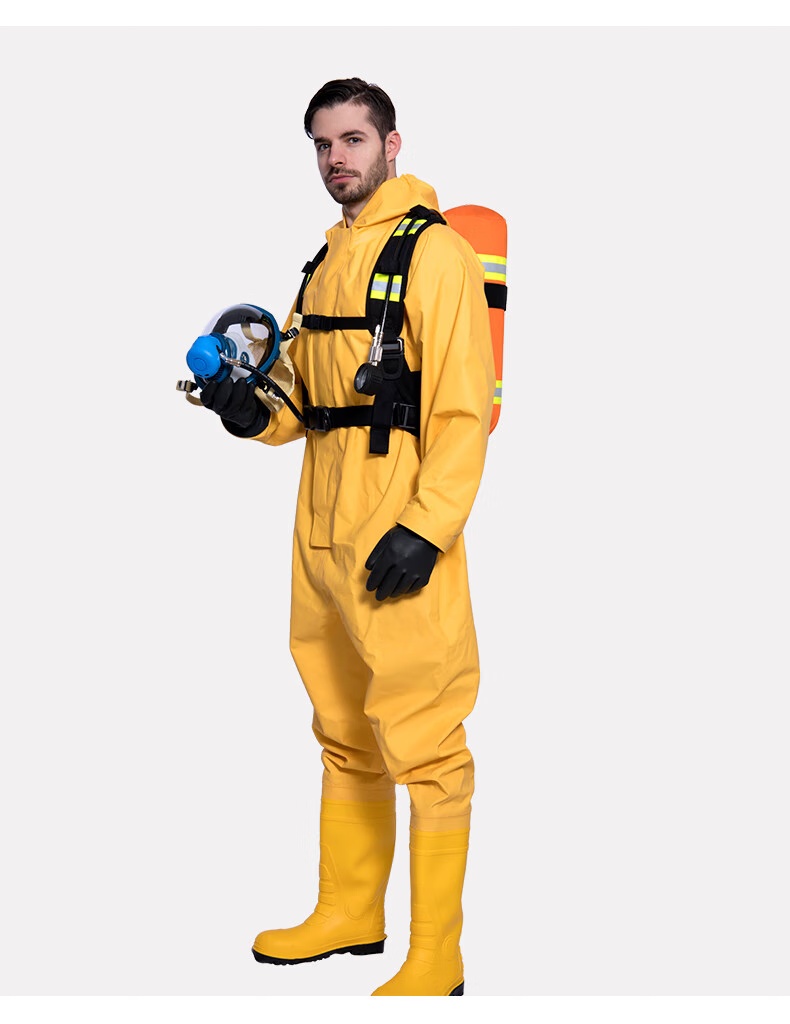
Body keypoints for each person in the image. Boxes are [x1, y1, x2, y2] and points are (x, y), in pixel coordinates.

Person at [199, 77, 495, 997]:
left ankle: (437, 953)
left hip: (396, 527)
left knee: (425, 740)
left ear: (392, 144)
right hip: (318, 530)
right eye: (323, 145)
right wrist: (251, 412)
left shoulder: (436, 254)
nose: (337, 159)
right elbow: (307, 401)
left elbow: (461, 410)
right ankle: (350, 911)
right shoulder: (324, 262)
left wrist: (426, 529)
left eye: (353, 140)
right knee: (342, 728)